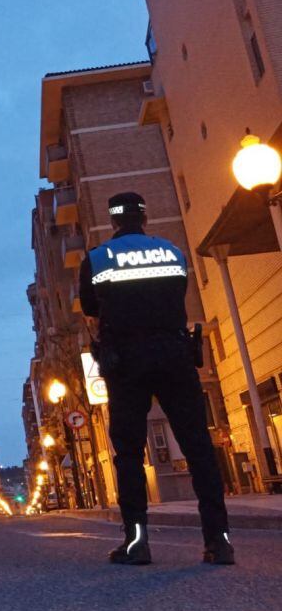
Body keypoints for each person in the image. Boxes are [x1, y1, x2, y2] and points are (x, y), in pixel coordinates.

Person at [78, 192, 234, 566]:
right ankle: (219, 541)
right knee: (199, 448)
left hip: (126, 361)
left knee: (129, 452)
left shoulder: (98, 258)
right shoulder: (172, 252)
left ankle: (137, 543)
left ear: (113, 221)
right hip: (174, 353)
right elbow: (179, 292)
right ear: (144, 217)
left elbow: (89, 307)